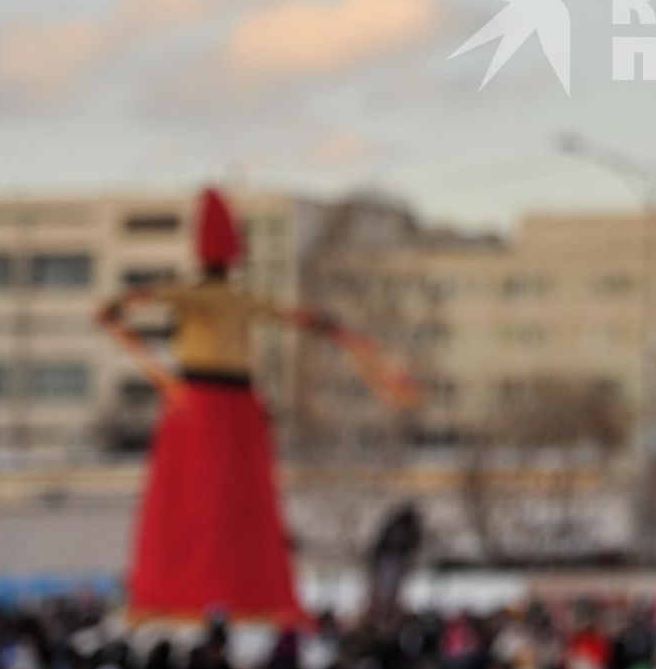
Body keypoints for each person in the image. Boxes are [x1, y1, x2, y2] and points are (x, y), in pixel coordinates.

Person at [97, 188, 420, 625]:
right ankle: (205, 594)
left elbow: (116, 310)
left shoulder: (213, 297)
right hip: (220, 405)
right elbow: (301, 318)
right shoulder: (223, 298)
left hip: (217, 405)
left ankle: (200, 594)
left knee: (209, 503)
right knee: (224, 505)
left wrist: (151, 362)